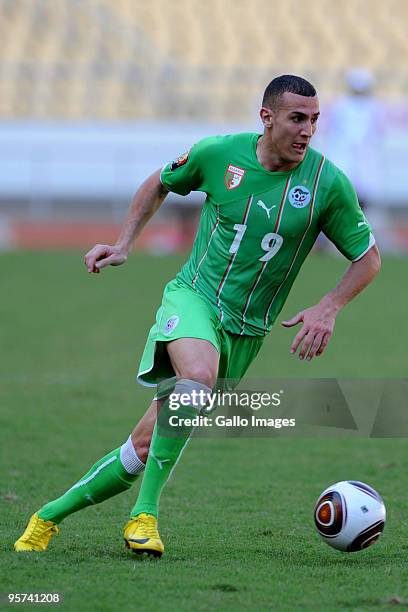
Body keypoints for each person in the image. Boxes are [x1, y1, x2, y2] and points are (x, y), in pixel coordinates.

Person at [14, 75, 381, 557]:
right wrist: (124, 244)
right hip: (194, 300)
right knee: (197, 378)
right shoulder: (217, 154)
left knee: (139, 452)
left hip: (247, 331)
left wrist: (328, 308)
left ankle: (46, 518)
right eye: (296, 118)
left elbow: (368, 257)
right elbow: (158, 183)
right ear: (266, 117)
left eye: (314, 119)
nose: (307, 129)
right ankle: (144, 517)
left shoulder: (326, 183)